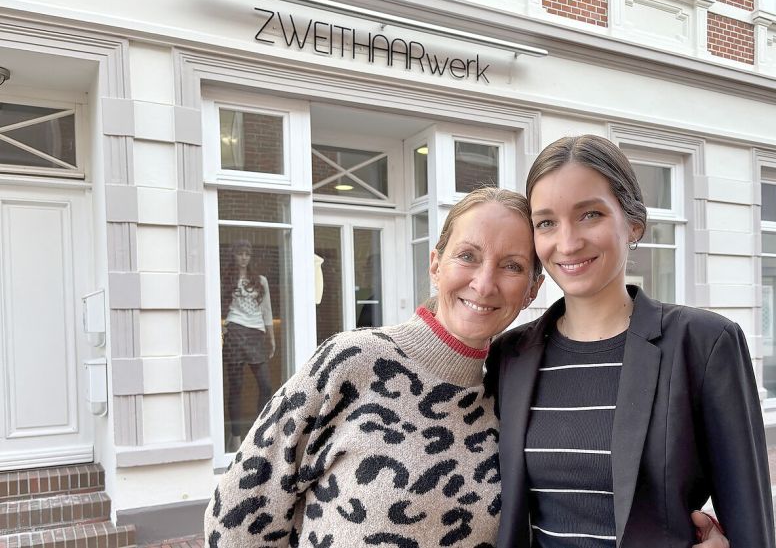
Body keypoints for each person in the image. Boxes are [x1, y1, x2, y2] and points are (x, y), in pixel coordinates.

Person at [205, 188, 730, 547]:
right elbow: (235, 520)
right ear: (436, 263)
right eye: (467, 256)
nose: (484, 283)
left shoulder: (507, 391)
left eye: (512, 266)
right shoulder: (353, 362)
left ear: (532, 289)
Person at [488, 135, 774, 547]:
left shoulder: (704, 343)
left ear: (633, 223)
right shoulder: (510, 355)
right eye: (546, 222)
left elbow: (749, 517)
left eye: (590, 215)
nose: (567, 243)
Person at [222, 239, 276, 452]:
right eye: (240, 253)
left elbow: (266, 310)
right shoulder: (226, 279)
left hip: (255, 333)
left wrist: (271, 337)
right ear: (234, 255)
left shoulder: (260, 281)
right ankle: (235, 438)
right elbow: (218, 305)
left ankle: (258, 431)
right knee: (236, 386)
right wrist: (222, 327)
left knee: (266, 385)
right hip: (235, 331)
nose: (244, 257)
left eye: (247, 254)